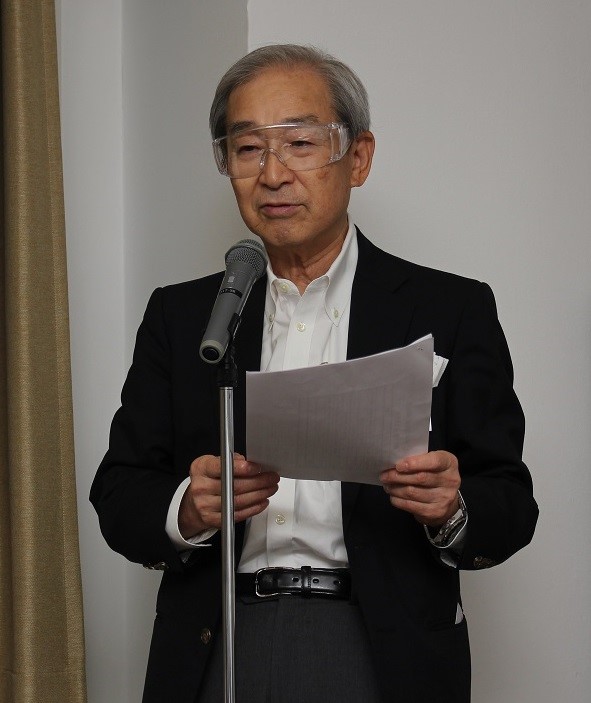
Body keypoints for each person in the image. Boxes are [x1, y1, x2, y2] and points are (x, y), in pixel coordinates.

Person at [90, 44, 538, 703]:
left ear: (358, 157)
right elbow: (119, 492)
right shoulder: (184, 317)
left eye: (299, 143)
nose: (272, 173)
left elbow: (510, 501)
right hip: (220, 637)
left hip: (379, 642)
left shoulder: (448, 307)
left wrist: (452, 506)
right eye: (247, 148)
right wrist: (187, 506)